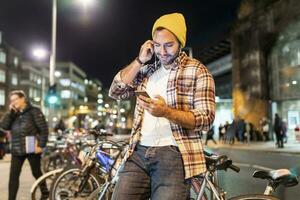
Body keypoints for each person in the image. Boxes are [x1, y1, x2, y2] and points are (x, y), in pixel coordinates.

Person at [109, 13, 215, 200]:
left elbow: (206, 119)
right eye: (157, 45)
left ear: (180, 43)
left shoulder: (198, 70)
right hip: (139, 151)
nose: (162, 51)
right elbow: (116, 91)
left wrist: (166, 112)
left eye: (169, 45)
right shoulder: (147, 71)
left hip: (173, 154)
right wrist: (140, 60)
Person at [0, 90, 49, 200]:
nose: (13, 102)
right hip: (17, 148)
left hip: (31, 145)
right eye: (12, 100)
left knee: (36, 172)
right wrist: (10, 113)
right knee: (13, 177)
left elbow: (44, 129)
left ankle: (45, 192)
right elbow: (4, 126)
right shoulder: (13, 114)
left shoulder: (34, 111)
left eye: (15, 99)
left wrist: (41, 146)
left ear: (23, 99)